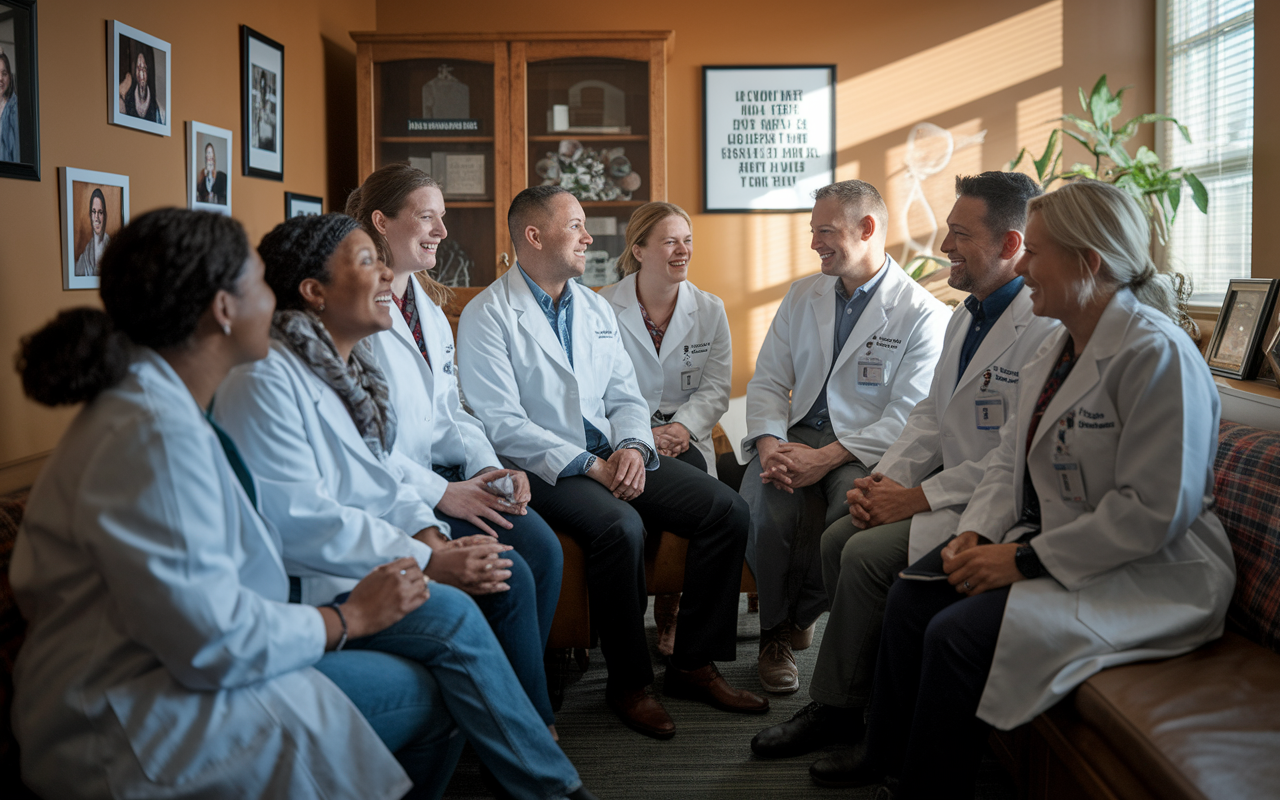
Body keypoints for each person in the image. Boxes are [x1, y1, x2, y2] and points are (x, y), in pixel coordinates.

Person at [9, 208, 594, 800]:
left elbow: (369, 477)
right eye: (260, 281)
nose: (276, 296)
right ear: (223, 309)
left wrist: (422, 546)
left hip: (186, 664)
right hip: (136, 720)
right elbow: (214, 642)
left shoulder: (164, 408)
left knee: (450, 636)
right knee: (438, 666)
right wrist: (351, 618)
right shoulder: (154, 439)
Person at [829, 179, 1236, 798]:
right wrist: (972, 538)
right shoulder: (1059, 346)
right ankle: (885, 758)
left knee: (953, 634)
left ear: (1089, 262)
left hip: (1148, 573)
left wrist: (1019, 559)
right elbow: (1004, 466)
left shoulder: (1157, 355)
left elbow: (1155, 512)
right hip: (1061, 548)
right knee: (916, 596)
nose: (1025, 267)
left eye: (1037, 253)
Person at [213, 213, 565, 744]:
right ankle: (534, 743)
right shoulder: (267, 379)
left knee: (513, 566)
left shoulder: (344, 372)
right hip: (311, 582)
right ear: (314, 292)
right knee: (488, 589)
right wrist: (433, 556)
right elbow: (308, 518)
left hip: (381, 530)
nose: (385, 277)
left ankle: (522, 725)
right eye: (366, 262)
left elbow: (381, 475)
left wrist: (436, 534)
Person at [750, 171, 1058, 766]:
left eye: (959, 235)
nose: (943, 247)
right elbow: (929, 417)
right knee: (831, 532)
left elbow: (1010, 455)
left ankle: (841, 707)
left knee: (856, 544)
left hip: (976, 497)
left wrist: (904, 494)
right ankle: (846, 688)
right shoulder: (970, 314)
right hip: (922, 477)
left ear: (1010, 246)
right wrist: (885, 481)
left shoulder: (1033, 324)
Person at [458, 185, 767, 740]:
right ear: (534, 236)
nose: (588, 236)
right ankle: (629, 683)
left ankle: (693, 663)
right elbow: (501, 421)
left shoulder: (594, 306)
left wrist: (632, 447)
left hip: (611, 450)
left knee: (726, 510)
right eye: (575, 225)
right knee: (619, 527)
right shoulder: (488, 314)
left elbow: (626, 397)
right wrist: (590, 464)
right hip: (542, 466)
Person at [347, 164, 564, 730]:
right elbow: (356, 443)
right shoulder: (352, 311)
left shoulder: (428, 308)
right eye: (427, 217)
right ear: (381, 222)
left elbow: (451, 410)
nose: (443, 231)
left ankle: (504, 695)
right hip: (398, 492)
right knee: (509, 571)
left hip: (443, 475)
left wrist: (489, 468)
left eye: (443, 218)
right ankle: (527, 724)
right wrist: (445, 494)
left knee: (543, 549)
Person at [742, 179, 949, 694]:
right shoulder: (802, 295)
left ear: (868, 228)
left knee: (847, 516)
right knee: (764, 509)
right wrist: (770, 446)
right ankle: (774, 634)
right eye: (813, 231)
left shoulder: (922, 313)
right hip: (795, 435)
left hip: (863, 443)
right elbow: (768, 379)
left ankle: (801, 617)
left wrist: (828, 458)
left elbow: (909, 413)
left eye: (826, 231)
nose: (815, 243)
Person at [599, 200, 732, 656]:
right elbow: (596, 390)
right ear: (638, 249)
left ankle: (673, 610)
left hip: (684, 435)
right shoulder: (601, 307)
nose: (683, 251)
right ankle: (624, 620)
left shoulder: (710, 309)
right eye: (670, 241)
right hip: (623, 434)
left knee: (701, 502)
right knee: (629, 504)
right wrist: (638, 434)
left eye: (688, 241)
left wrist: (683, 428)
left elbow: (716, 389)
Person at [74, 188, 109, 277]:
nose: (96, 218)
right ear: (90, 215)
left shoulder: (109, 244)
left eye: (100, 212)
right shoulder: (88, 249)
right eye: (94, 212)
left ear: (104, 215)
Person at [122, 47, 161, 123]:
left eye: (144, 69)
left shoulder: (155, 107)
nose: (141, 74)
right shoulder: (128, 100)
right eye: (138, 68)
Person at [0, 49, 19, 162]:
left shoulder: (14, 107)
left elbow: (17, 151)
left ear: (10, 77)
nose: (0, 79)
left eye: (4, 74)